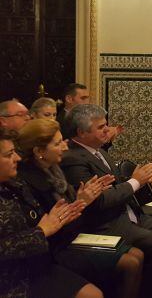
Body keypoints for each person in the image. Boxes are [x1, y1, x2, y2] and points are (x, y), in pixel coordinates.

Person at [60, 104, 152, 298]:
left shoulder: (100, 151)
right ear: (81, 132)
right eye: (101, 127)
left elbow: (119, 186)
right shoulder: (74, 159)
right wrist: (136, 181)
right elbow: (99, 201)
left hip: (127, 213)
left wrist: (140, 180)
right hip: (105, 223)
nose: (107, 130)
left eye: (106, 125)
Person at [16, 119, 144, 298]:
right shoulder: (31, 183)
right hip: (56, 249)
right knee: (130, 262)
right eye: (58, 143)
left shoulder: (54, 170)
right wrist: (81, 202)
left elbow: (74, 217)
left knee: (137, 255)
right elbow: (54, 229)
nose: (65, 146)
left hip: (72, 236)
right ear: (39, 152)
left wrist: (83, 201)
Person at [0, 127, 101, 298]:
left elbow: (44, 224)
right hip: (11, 278)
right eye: (9, 154)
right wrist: (42, 231)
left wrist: (68, 213)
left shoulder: (15, 185)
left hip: (35, 263)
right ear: (39, 151)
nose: (17, 158)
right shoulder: (30, 180)